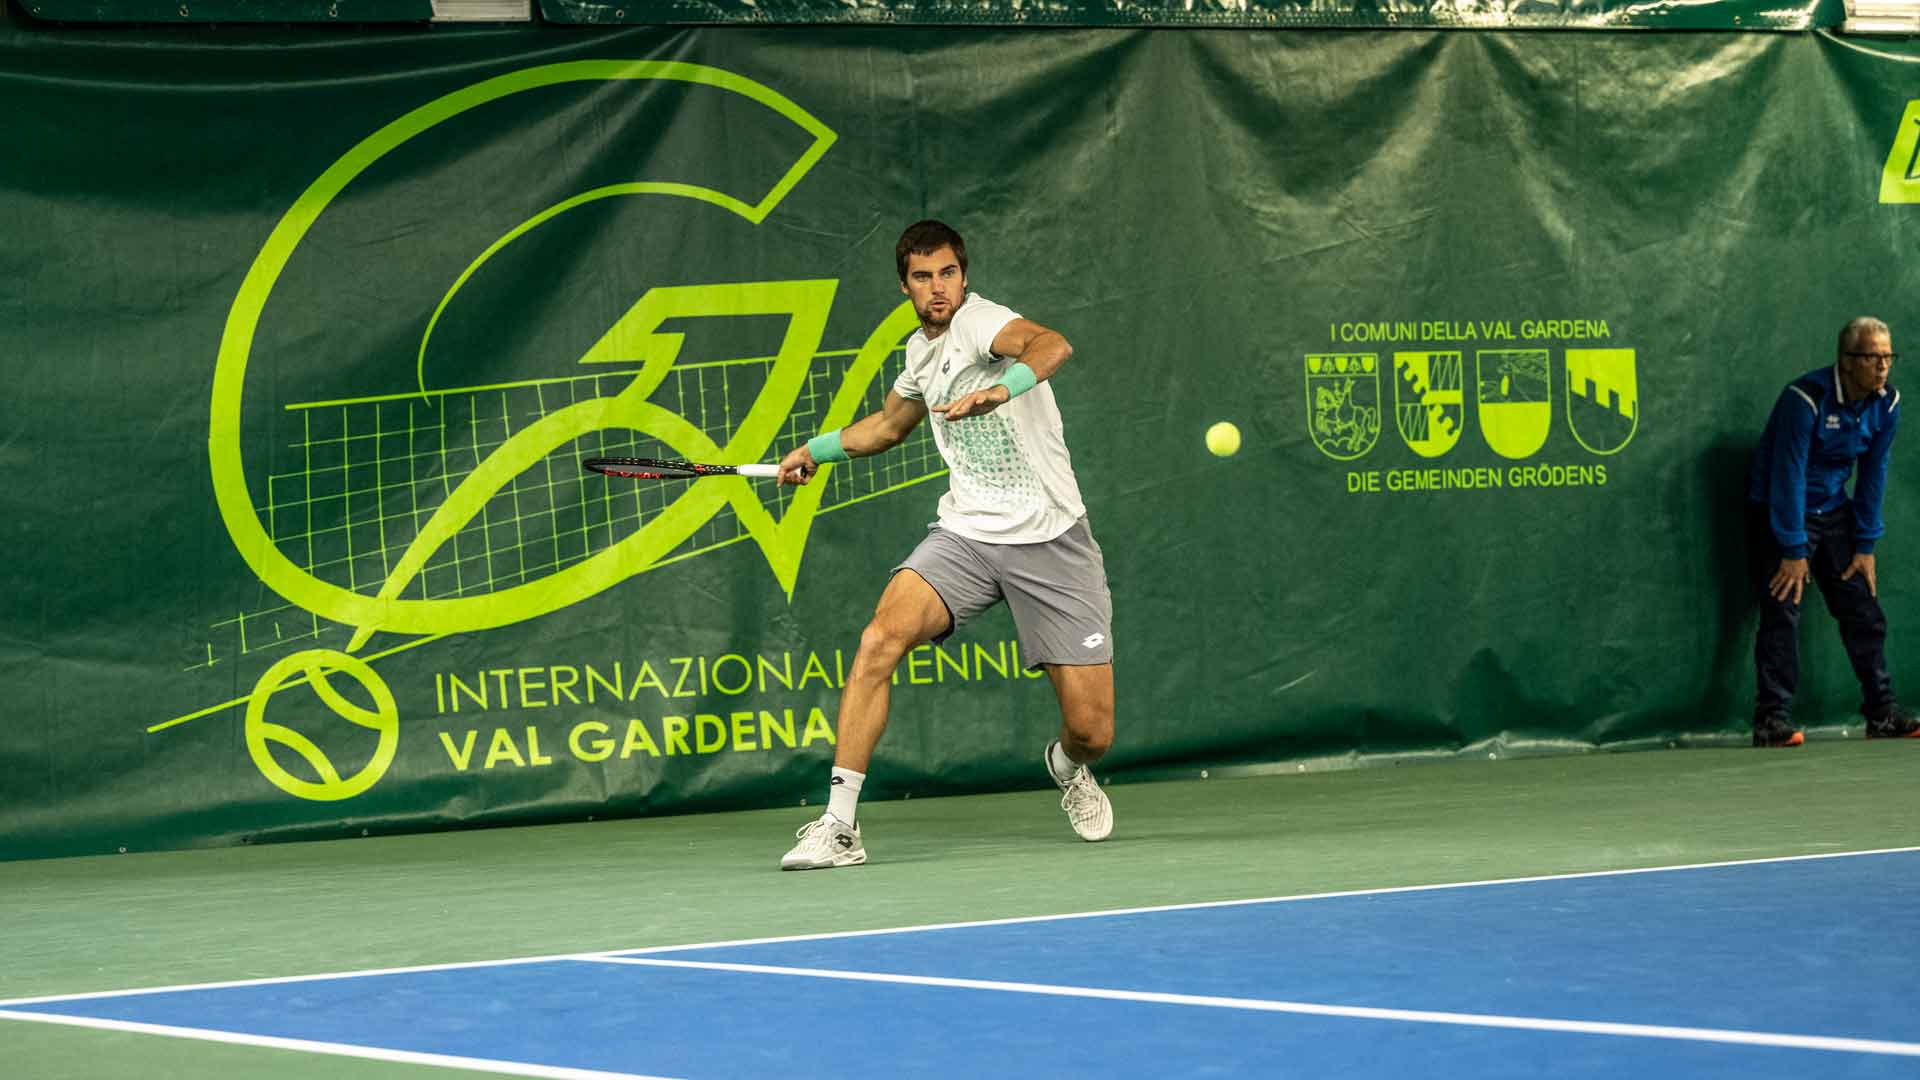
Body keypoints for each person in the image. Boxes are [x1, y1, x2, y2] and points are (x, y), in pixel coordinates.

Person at [771, 219, 1115, 869]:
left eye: (949, 273)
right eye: (923, 276)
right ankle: (840, 827)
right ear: (905, 285)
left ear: (965, 277)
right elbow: (887, 426)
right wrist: (812, 452)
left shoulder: (983, 324)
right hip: (966, 535)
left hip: (1051, 538)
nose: (938, 288)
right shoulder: (921, 353)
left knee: (1093, 732)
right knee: (879, 639)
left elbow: (1052, 345)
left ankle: (1068, 767)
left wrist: (1001, 388)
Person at [1746, 316, 1916, 746]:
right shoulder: (1804, 399)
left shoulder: (1888, 403)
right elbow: (1787, 477)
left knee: (1863, 609)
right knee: (1783, 610)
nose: (1882, 366)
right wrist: (1792, 547)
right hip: (1782, 512)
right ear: (1845, 361)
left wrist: (1865, 544)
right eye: (1872, 357)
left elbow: (1873, 474)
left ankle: (1881, 713)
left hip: (1835, 512)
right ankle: (1771, 720)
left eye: (1887, 357)